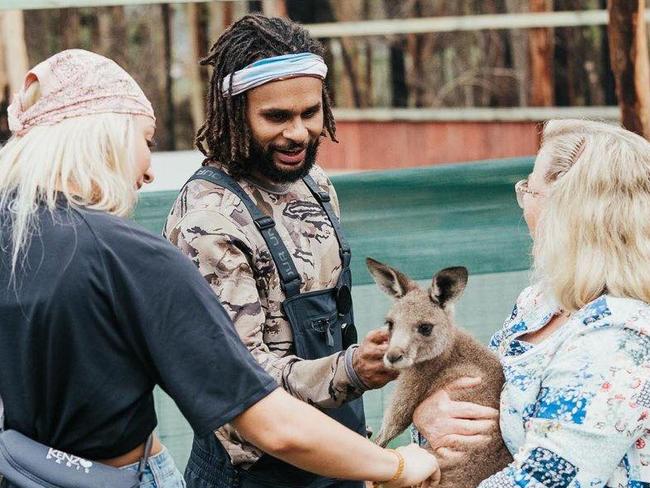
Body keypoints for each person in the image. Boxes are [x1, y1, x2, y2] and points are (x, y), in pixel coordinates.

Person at [0, 49, 440, 488]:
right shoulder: (131, 255)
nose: (149, 171)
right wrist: (397, 466)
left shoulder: (15, 236)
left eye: (311, 112)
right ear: (107, 137)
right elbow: (267, 422)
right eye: (146, 141)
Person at [163, 15, 398, 488]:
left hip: (333, 452)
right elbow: (245, 381)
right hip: (257, 473)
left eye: (309, 113)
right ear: (234, 113)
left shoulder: (315, 185)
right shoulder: (209, 221)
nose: (298, 134)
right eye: (276, 117)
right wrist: (351, 368)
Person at [413, 119, 650, 487]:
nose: (523, 204)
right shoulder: (540, 302)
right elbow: (478, 394)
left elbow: (546, 480)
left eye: (530, 191)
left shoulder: (621, 338)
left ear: (569, 211)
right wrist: (429, 415)